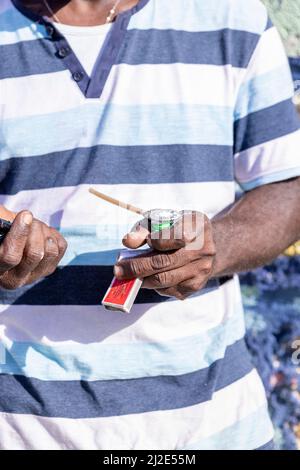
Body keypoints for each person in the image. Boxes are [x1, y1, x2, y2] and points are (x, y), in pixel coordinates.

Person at [0, 0, 299, 450]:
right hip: (21, 429)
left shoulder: (231, 16)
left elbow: (286, 188)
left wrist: (216, 245)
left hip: (211, 427)